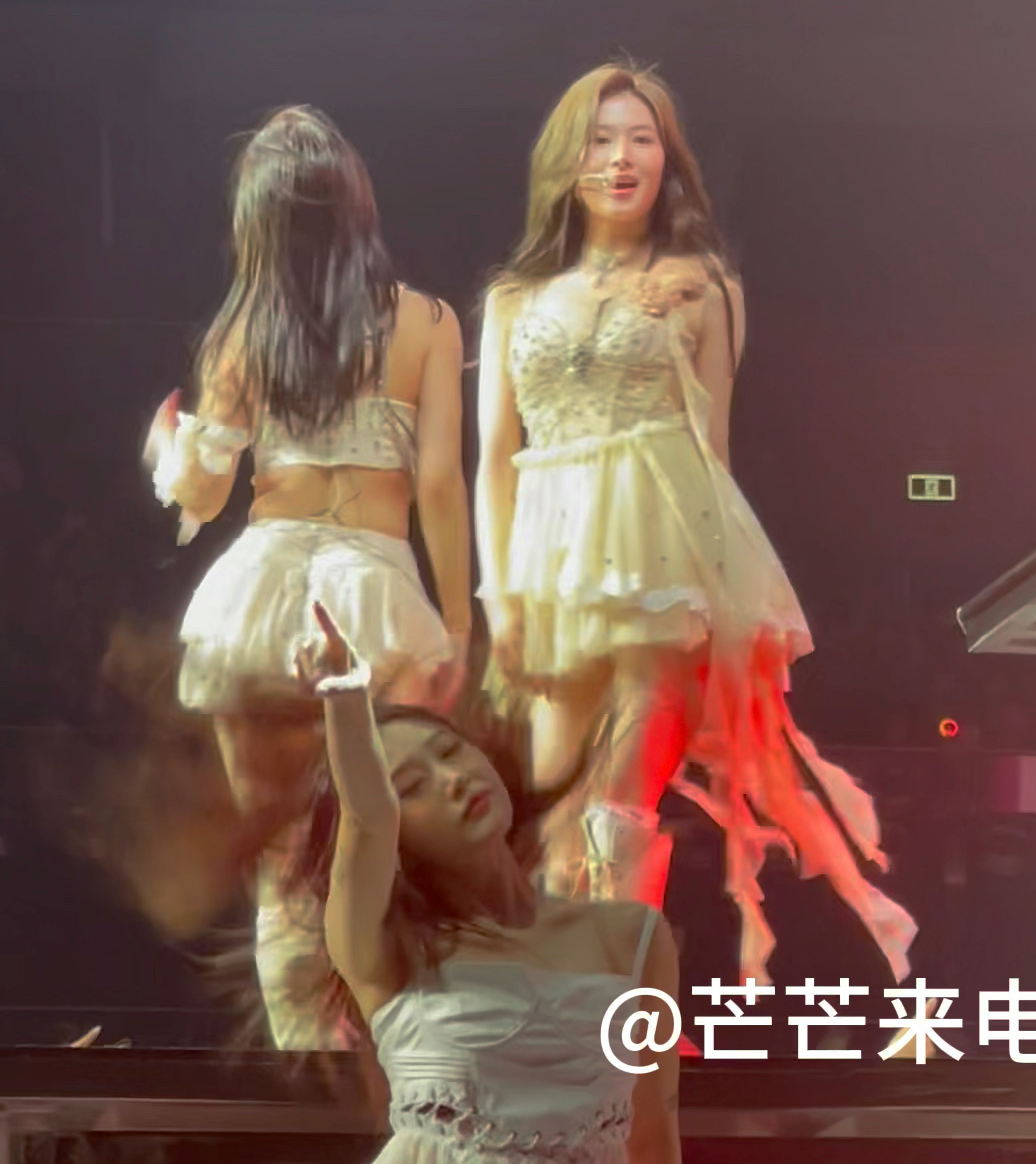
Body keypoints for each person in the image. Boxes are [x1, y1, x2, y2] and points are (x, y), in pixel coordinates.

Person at [475, 61, 916, 988]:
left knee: (620, 804)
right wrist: (499, 599)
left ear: (668, 161)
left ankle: (613, 1021)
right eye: (601, 140)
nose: (620, 158)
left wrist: (725, 602)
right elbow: (491, 459)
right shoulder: (515, 297)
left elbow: (713, 457)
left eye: (641, 139)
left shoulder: (702, 286)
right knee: (557, 811)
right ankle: (570, 1016)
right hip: (549, 569)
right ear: (566, 160)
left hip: (661, 560)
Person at [143, 105, 471, 1049]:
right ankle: (390, 1076)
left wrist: (164, 450)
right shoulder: (426, 322)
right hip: (376, 603)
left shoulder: (244, 331)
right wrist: (458, 626)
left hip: (260, 599)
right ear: (355, 203)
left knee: (282, 866)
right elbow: (440, 485)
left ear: (260, 220)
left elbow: (202, 492)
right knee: (382, 852)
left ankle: (302, 1076)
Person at [302, 600, 682, 1164]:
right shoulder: (385, 953)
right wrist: (343, 690)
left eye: (451, 753)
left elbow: (652, 1136)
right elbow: (367, 817)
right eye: (412, 786)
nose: (452, 779)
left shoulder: (634, 940)